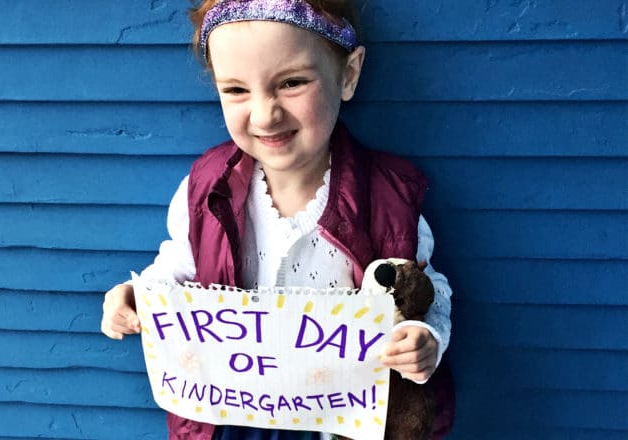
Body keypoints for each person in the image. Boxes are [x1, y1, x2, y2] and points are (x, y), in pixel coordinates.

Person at [101, 1, 454, 438]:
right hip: (238, 416)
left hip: (337, 419)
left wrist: (424, 336)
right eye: (236, 90)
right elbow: (177, 269)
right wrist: (139, 296)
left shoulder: (387, 197)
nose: (265, 114)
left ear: (348, 75)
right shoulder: (206, 189)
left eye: (291, 83)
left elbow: (426, 288)